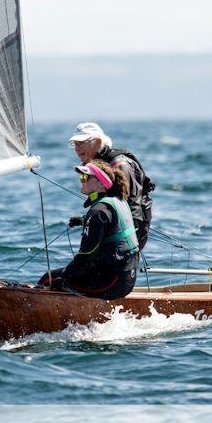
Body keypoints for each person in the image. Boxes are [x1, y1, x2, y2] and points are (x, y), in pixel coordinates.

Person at [38, 161, 140, 300]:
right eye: (81, 178)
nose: (82, 180)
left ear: (101, 183)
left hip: (112, 283)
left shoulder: (98, 211)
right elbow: (111, 225)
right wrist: (84, 221)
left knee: (48, 278)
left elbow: (86, 257)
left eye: (85, 178)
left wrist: (64, 277)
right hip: (127, 278)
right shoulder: (117, 201)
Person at [67, 122, 154, 250]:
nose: (76, 148)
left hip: (129, 234)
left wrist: (128, 243)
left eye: (80, 143)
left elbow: (129, 207)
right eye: (74, 144)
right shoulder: (99, 165)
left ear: (97, 142)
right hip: (117, 231)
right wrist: (86, 220)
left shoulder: (120, 164)